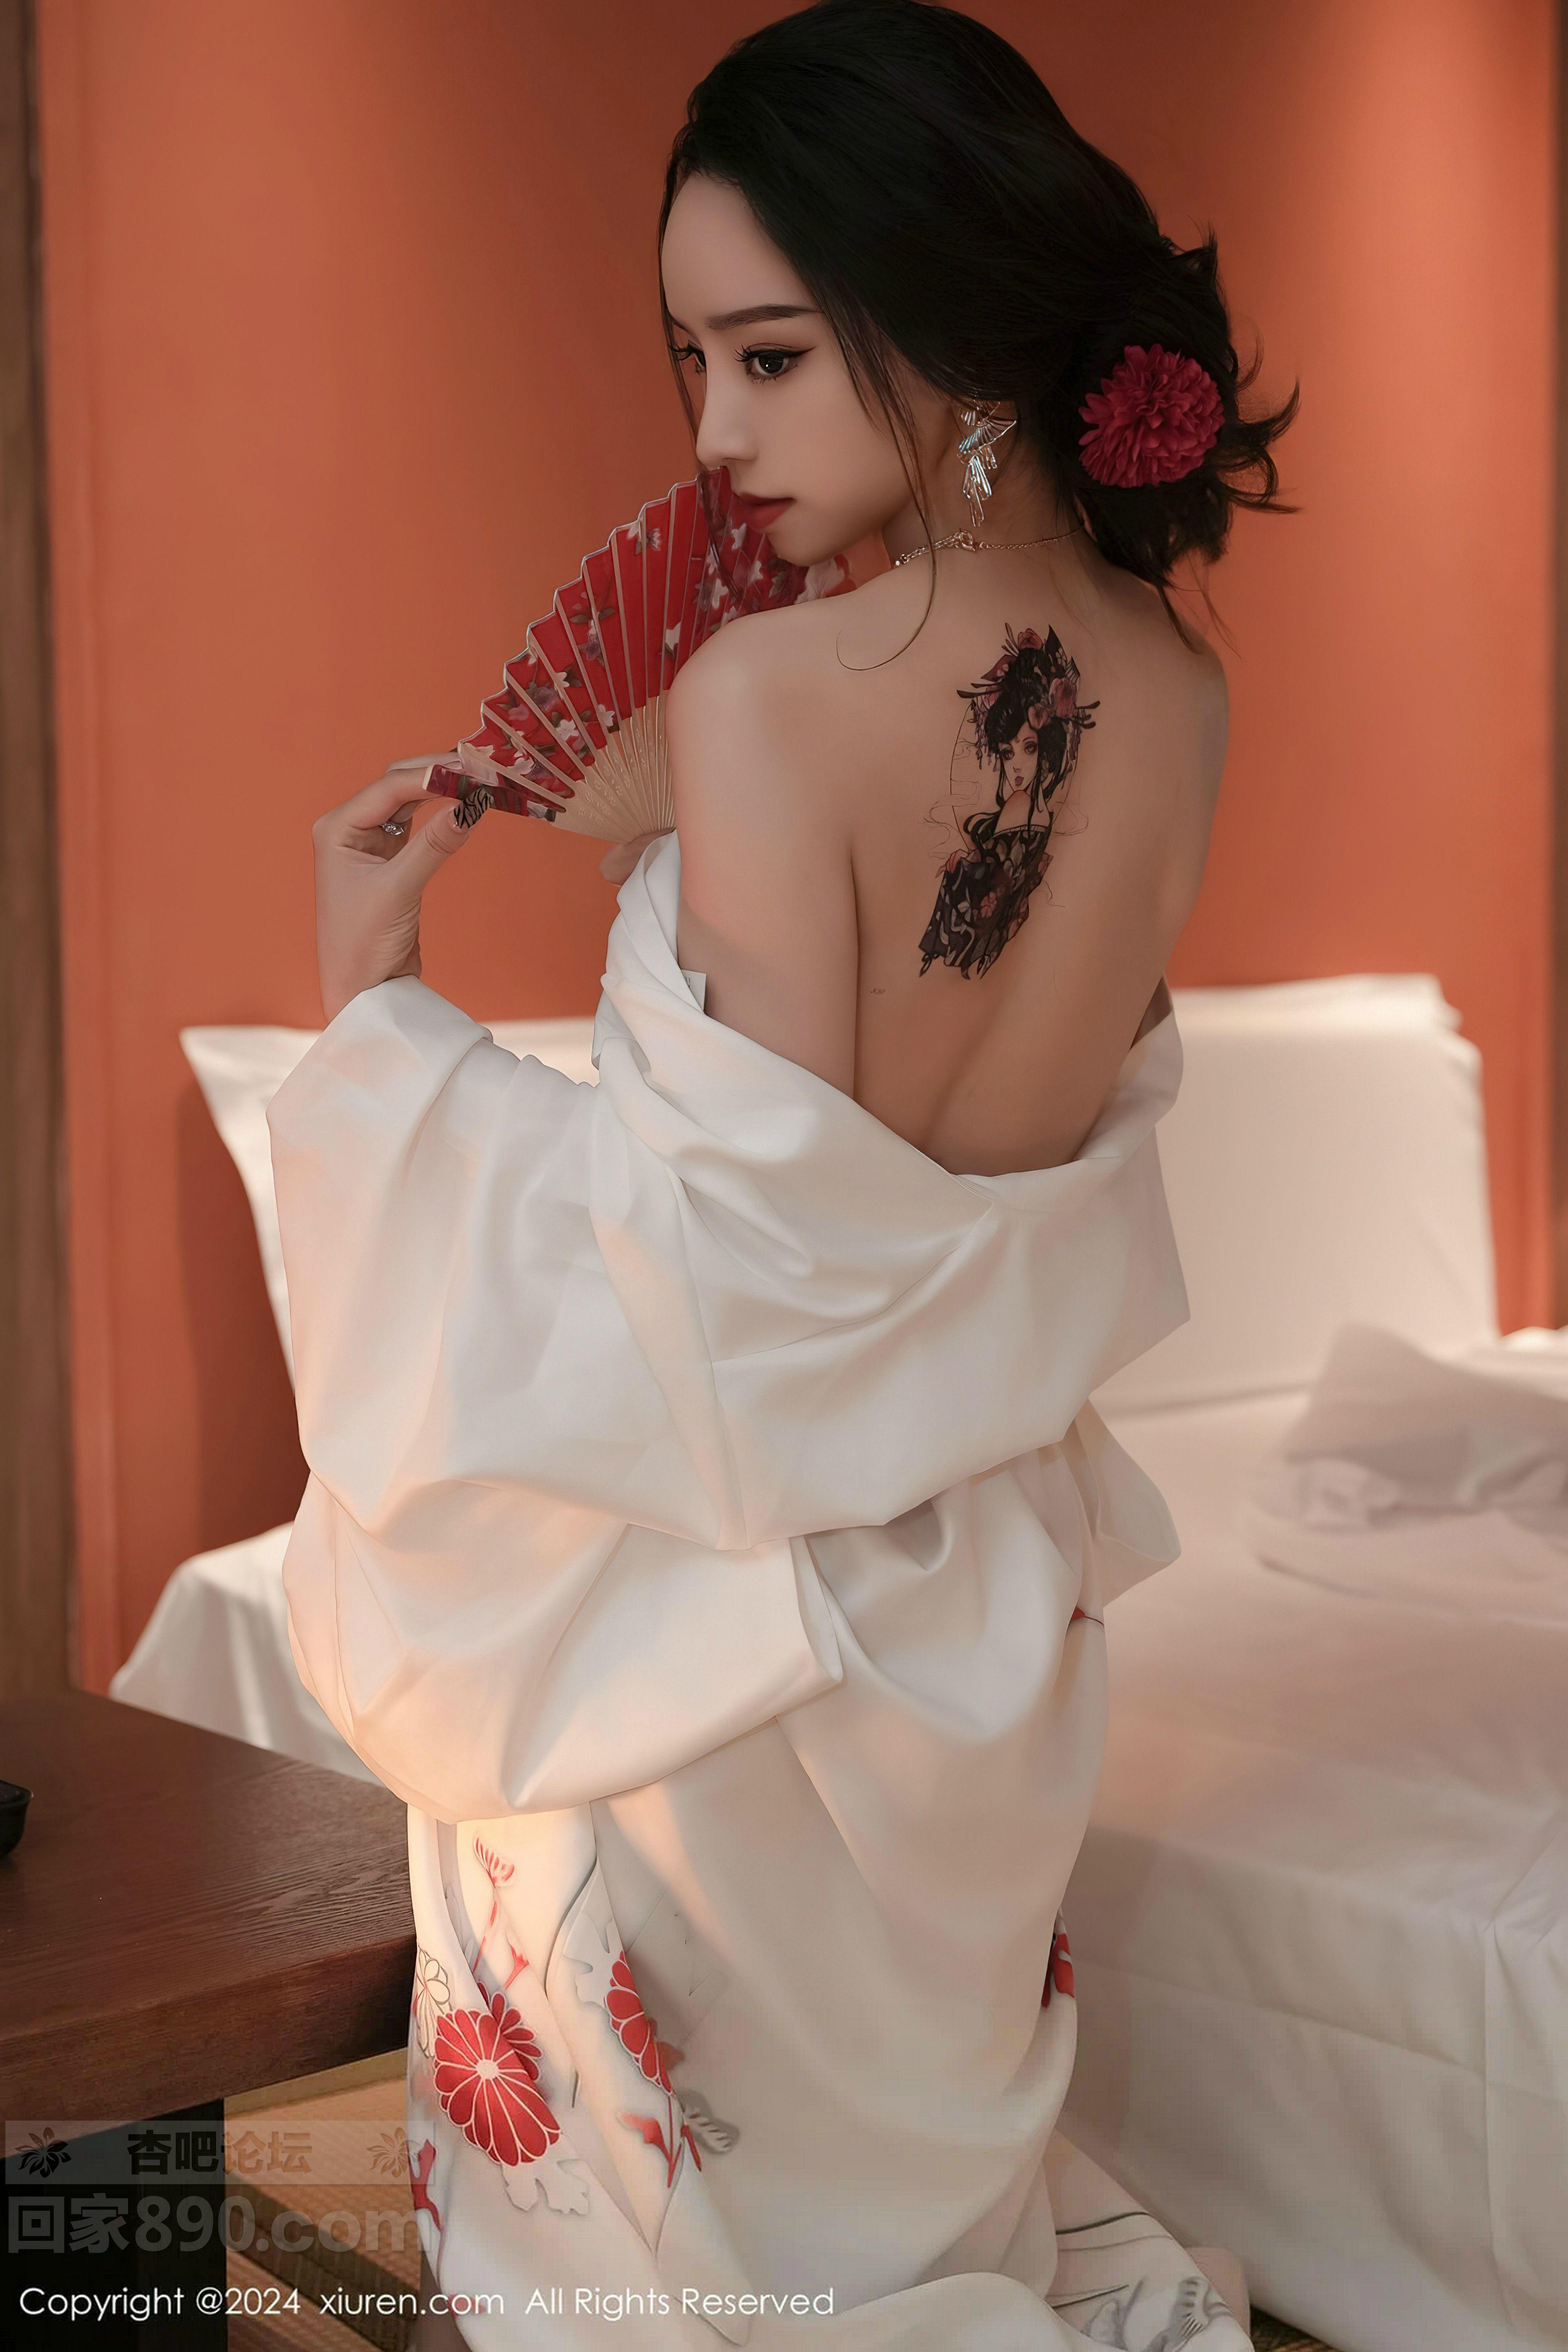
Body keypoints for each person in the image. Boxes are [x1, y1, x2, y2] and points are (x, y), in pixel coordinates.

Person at [271, 3, 1295, 2345]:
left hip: (755, 1678)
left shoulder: (762, 699)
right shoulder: (1181, 690)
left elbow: (742, 1296)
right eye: (692, 366)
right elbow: (902, 1209)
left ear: (949, 332)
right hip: (993, 1623)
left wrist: (377, 1007)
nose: (716, 436)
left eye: (765, 358)